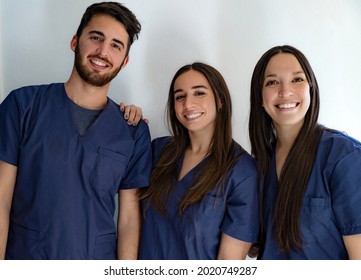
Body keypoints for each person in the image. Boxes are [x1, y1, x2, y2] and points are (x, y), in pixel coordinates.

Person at [0, 2, 151, 260]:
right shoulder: (22, 107)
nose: (103, 52)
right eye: (96, 37)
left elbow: (128, 220)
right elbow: (1, 199)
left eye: (116, 45)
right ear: (74, 41)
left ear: (124, 61)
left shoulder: (132, 132)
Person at [248, 45, 361, 259]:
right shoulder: (259, 165)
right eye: (272, 82)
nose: (285, 91)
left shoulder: (344, 157)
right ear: (260, 97)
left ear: (312, 88)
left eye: (297, 79)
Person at [137, 62, 259, 260]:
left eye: (199, 93)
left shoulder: (243, 172)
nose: (187, 104)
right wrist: (127, 119)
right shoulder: (157, 151)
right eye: (180, 96)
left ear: (220, 99)